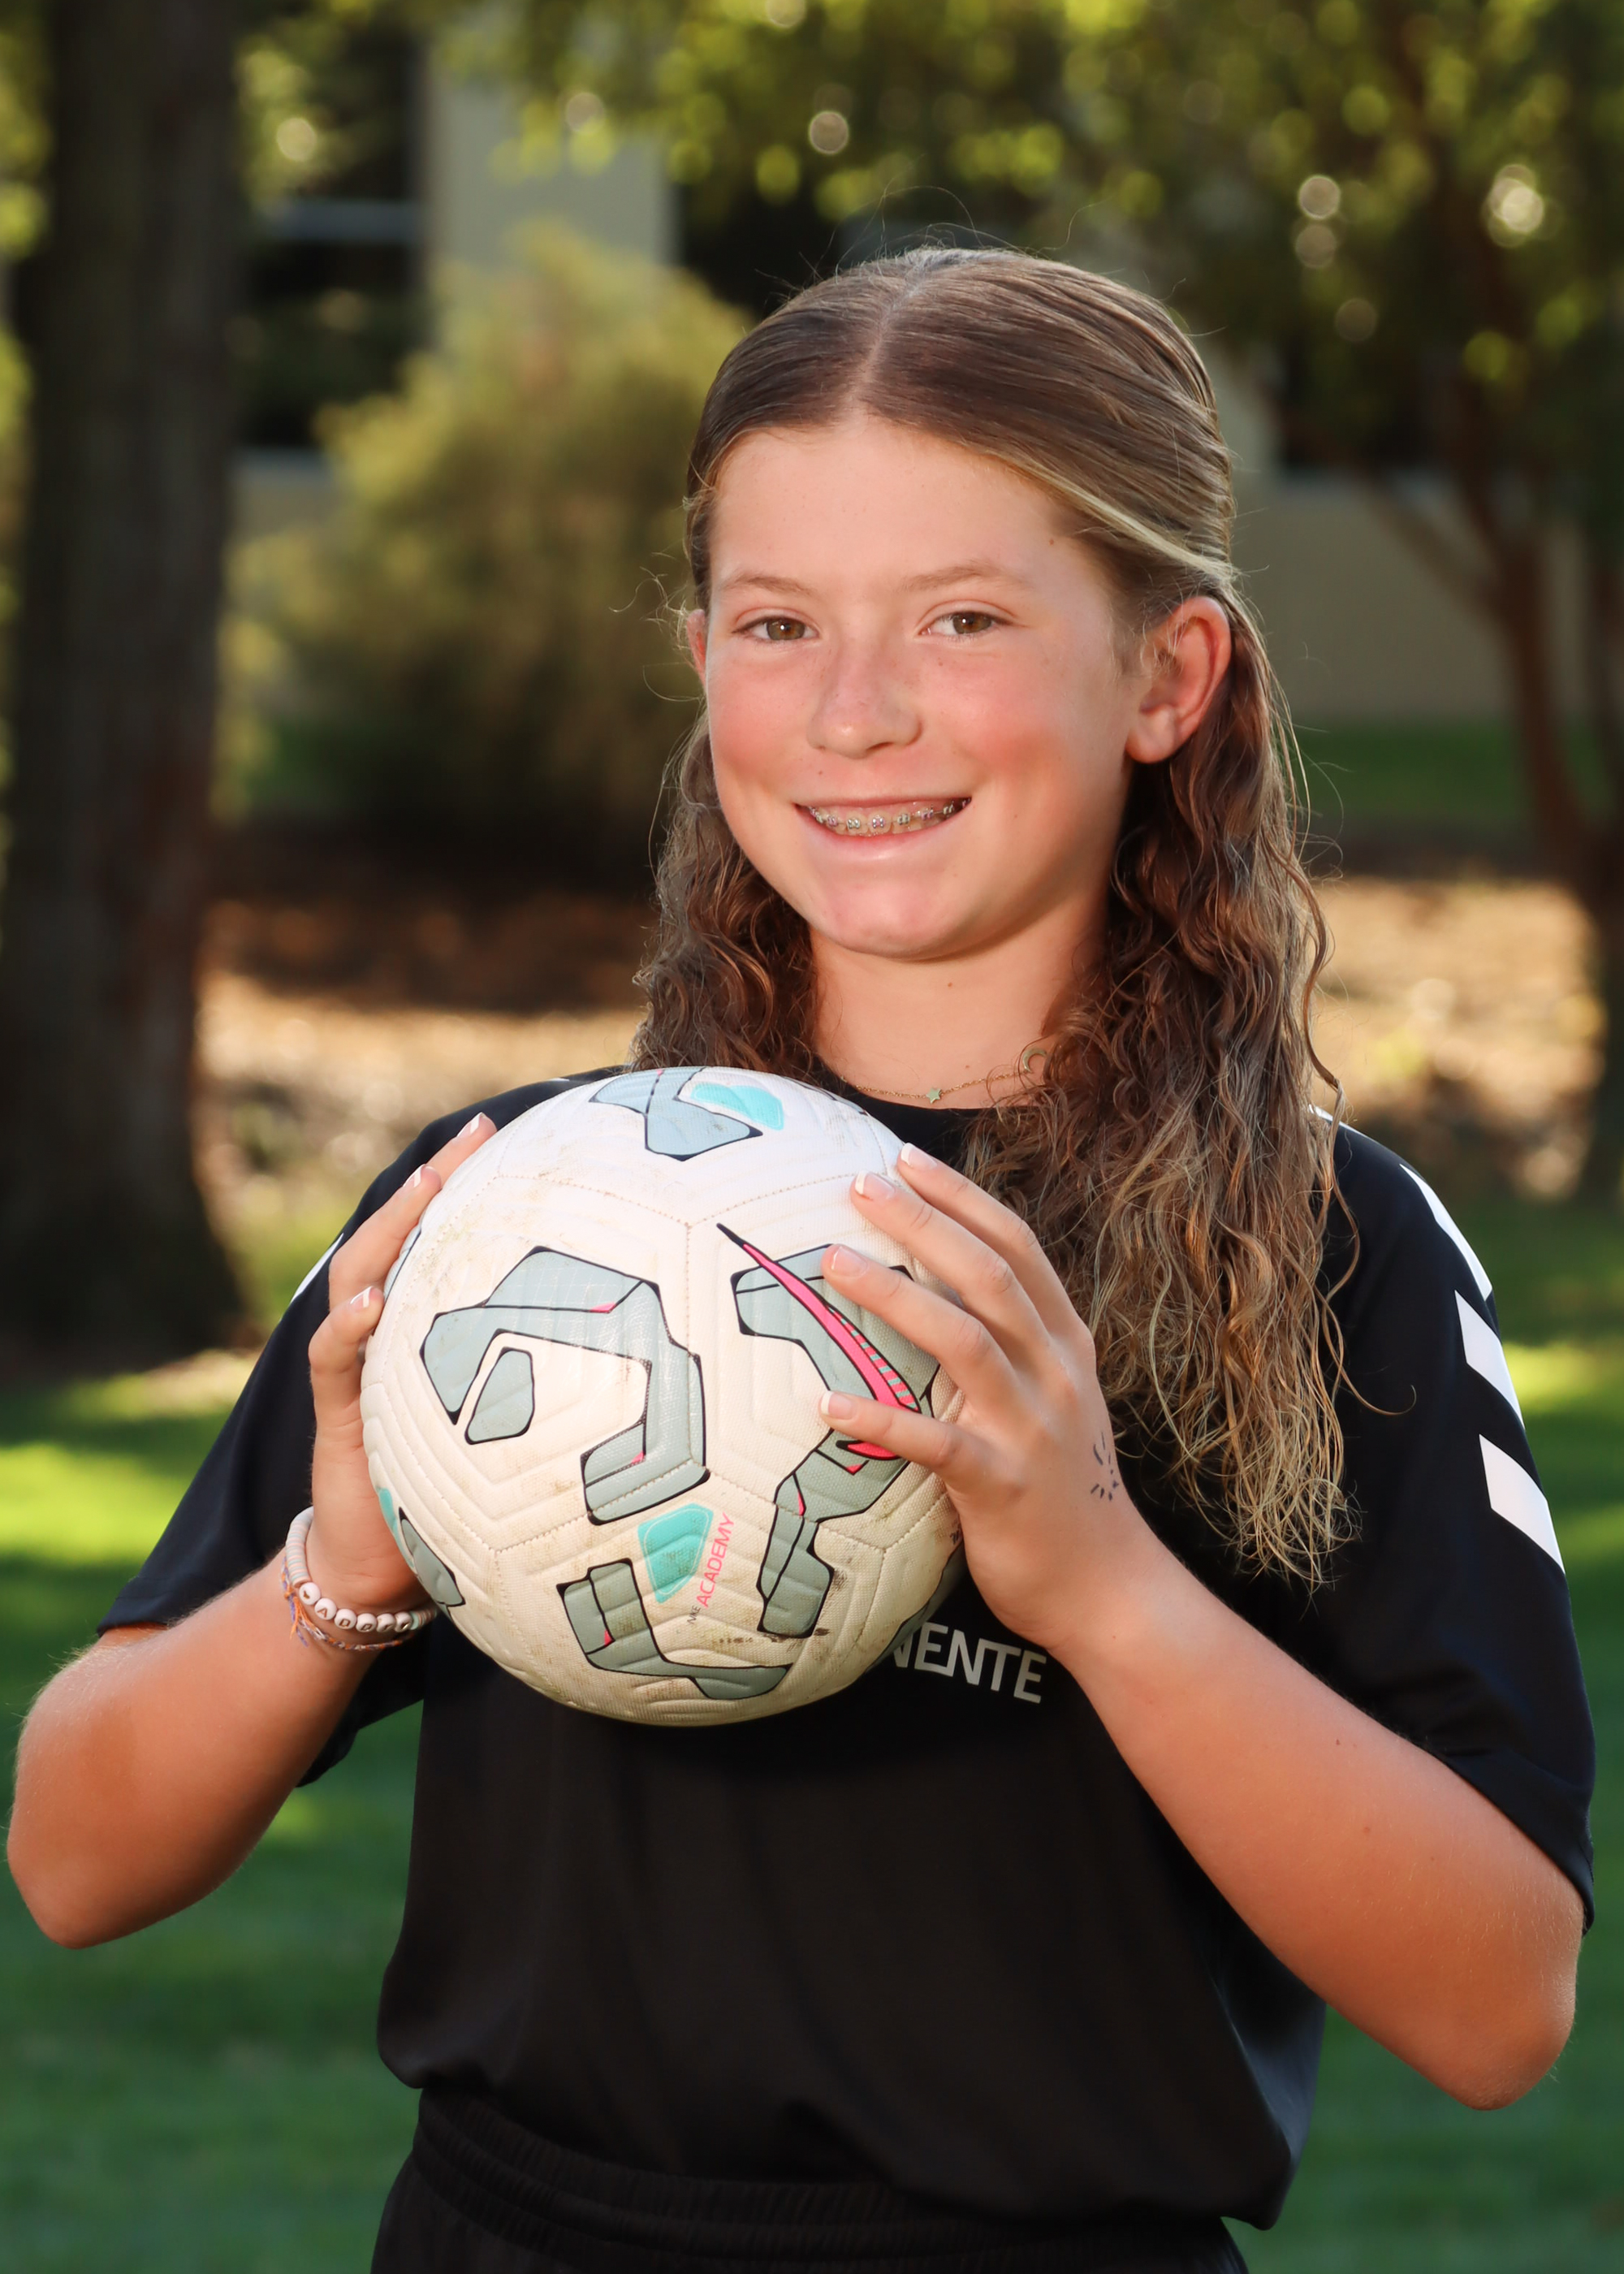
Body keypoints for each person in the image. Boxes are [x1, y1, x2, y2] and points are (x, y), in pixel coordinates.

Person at [8, 251, 1593, 2274]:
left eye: (963, 618)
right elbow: (73, 1857)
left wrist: (1101, 1582)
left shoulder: (1323, 1249)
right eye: (778, 623)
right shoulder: (514, 1215)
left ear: (1168, 675)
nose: (855, 710)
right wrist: (354, 1563)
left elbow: (1496, 2000)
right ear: (701, 659)